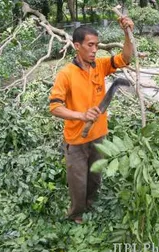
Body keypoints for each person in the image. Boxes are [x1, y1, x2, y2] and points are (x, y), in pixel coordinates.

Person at [48, 18, 134, 224]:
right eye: (90, 45)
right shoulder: (66, 74)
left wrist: (127, 33)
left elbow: (126, 57)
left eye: (96, 45)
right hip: (77, 139)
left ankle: (92, 205)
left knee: (95, 176)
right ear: (77, 46)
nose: (95, 50)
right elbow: (54, 107)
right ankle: (77, 214)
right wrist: (81, 115)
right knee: (78, 181)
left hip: (99, 136)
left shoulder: (100, 66)